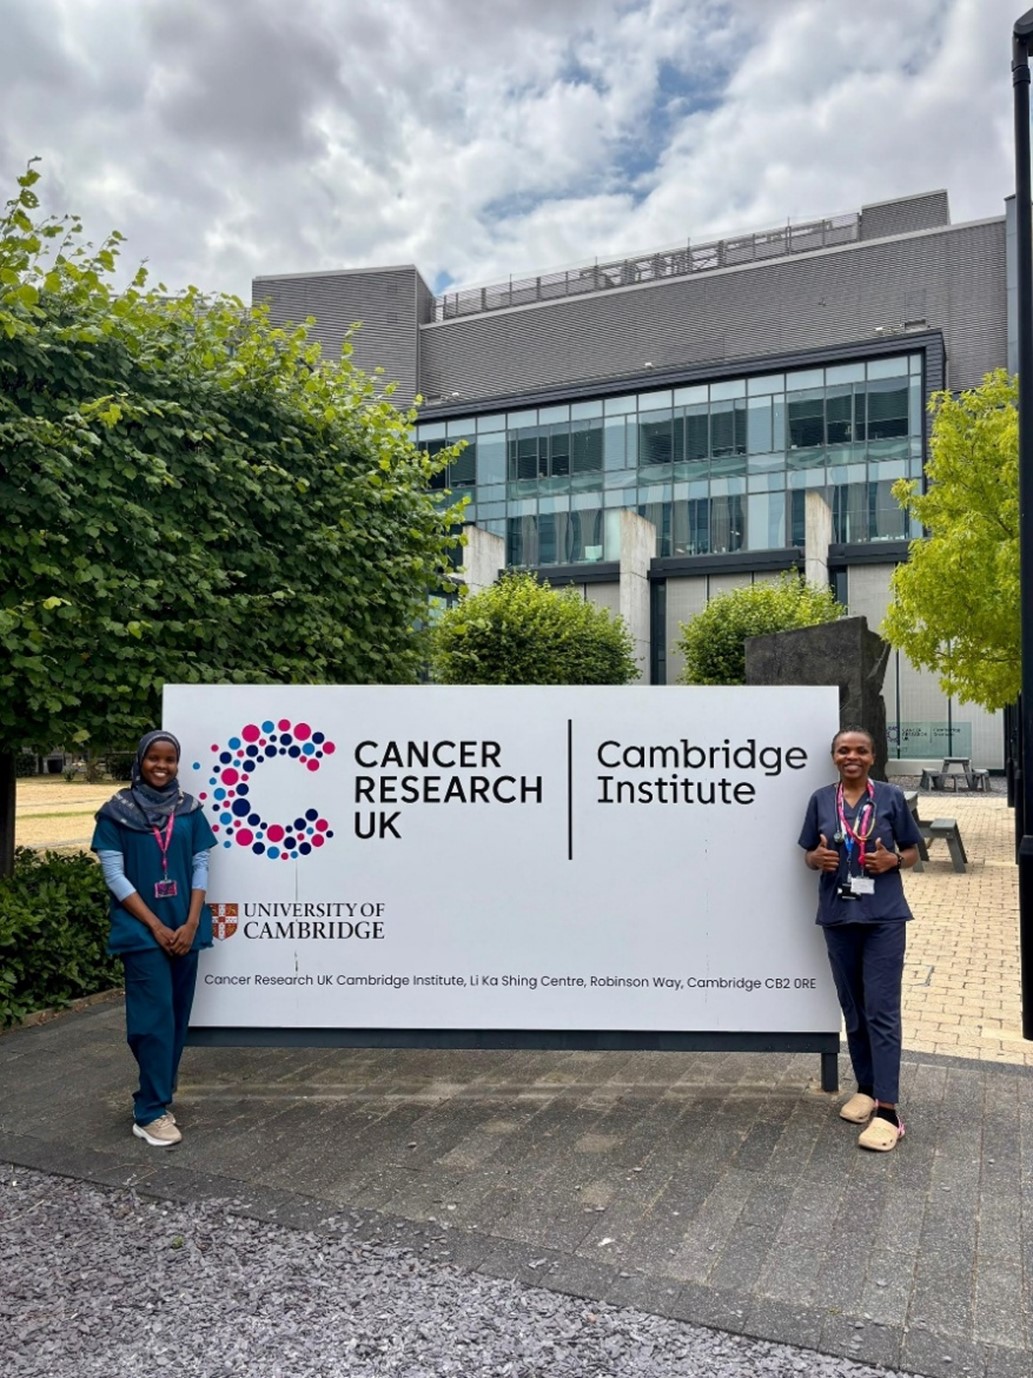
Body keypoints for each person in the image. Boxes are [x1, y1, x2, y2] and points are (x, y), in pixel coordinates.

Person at [798, 726, 921, 1152]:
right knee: (854, 1009)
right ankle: (866, 1089)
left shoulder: (890, 797)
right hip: (838, 917)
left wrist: (893, 861)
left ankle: (888, 1111)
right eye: (843, 750)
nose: (852, 756)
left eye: (861, 751)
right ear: (834, 756)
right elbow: (807, 853)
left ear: (872, 756)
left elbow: (913, 851)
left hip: (883, 918)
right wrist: (815, 858)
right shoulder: (820, 800)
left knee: (882, 1011)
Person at [92, 730, 217, 1147]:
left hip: (185, 929)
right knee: (152, 1020)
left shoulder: (190, 810)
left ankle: (160, 1094)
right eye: (153, 758)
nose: (161, 766)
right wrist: (156, 926)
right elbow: (114, 875)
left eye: (169, 759)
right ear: (140, 761)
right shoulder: (116, 813)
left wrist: (191, 922)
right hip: (142, 932)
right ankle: (148, 1111)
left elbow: (201, 865)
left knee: (177, 1016)